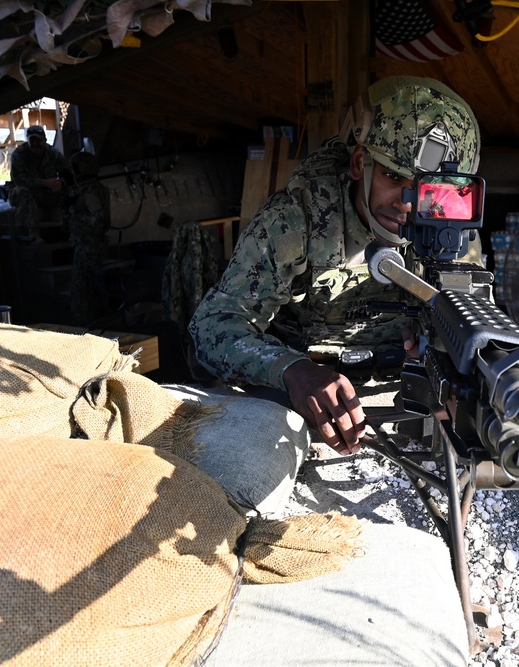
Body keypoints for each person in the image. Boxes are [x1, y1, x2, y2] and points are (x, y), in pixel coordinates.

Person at [189, 76, 481, 467]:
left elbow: (473, 322)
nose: (408, 204)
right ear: (361, 164)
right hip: (294, 394)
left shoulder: (452, 232)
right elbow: (213, 325)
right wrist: (292, 370)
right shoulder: (296, 222)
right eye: (394, 177)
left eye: (428, 189)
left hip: (401, 392)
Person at [62, 150, 111, 325]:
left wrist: (73, 211)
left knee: (82, 297)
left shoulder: (91, 191)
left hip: (90, 250)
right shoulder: (84, 189)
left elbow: (100, 222)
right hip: (85, 248)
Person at [7, 125, 69, 239]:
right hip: (26, 192)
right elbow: (19, 179)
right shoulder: (19, 154)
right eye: (32, 140)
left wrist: (61, 183)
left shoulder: (54, 154)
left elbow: (67, 173)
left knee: (71, 192)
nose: (35, 144)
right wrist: (44, 183)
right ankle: (33, 233)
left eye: (38, 140)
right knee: (22, 192)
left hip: (47, 193)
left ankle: (69, 230)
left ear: (45, 140)